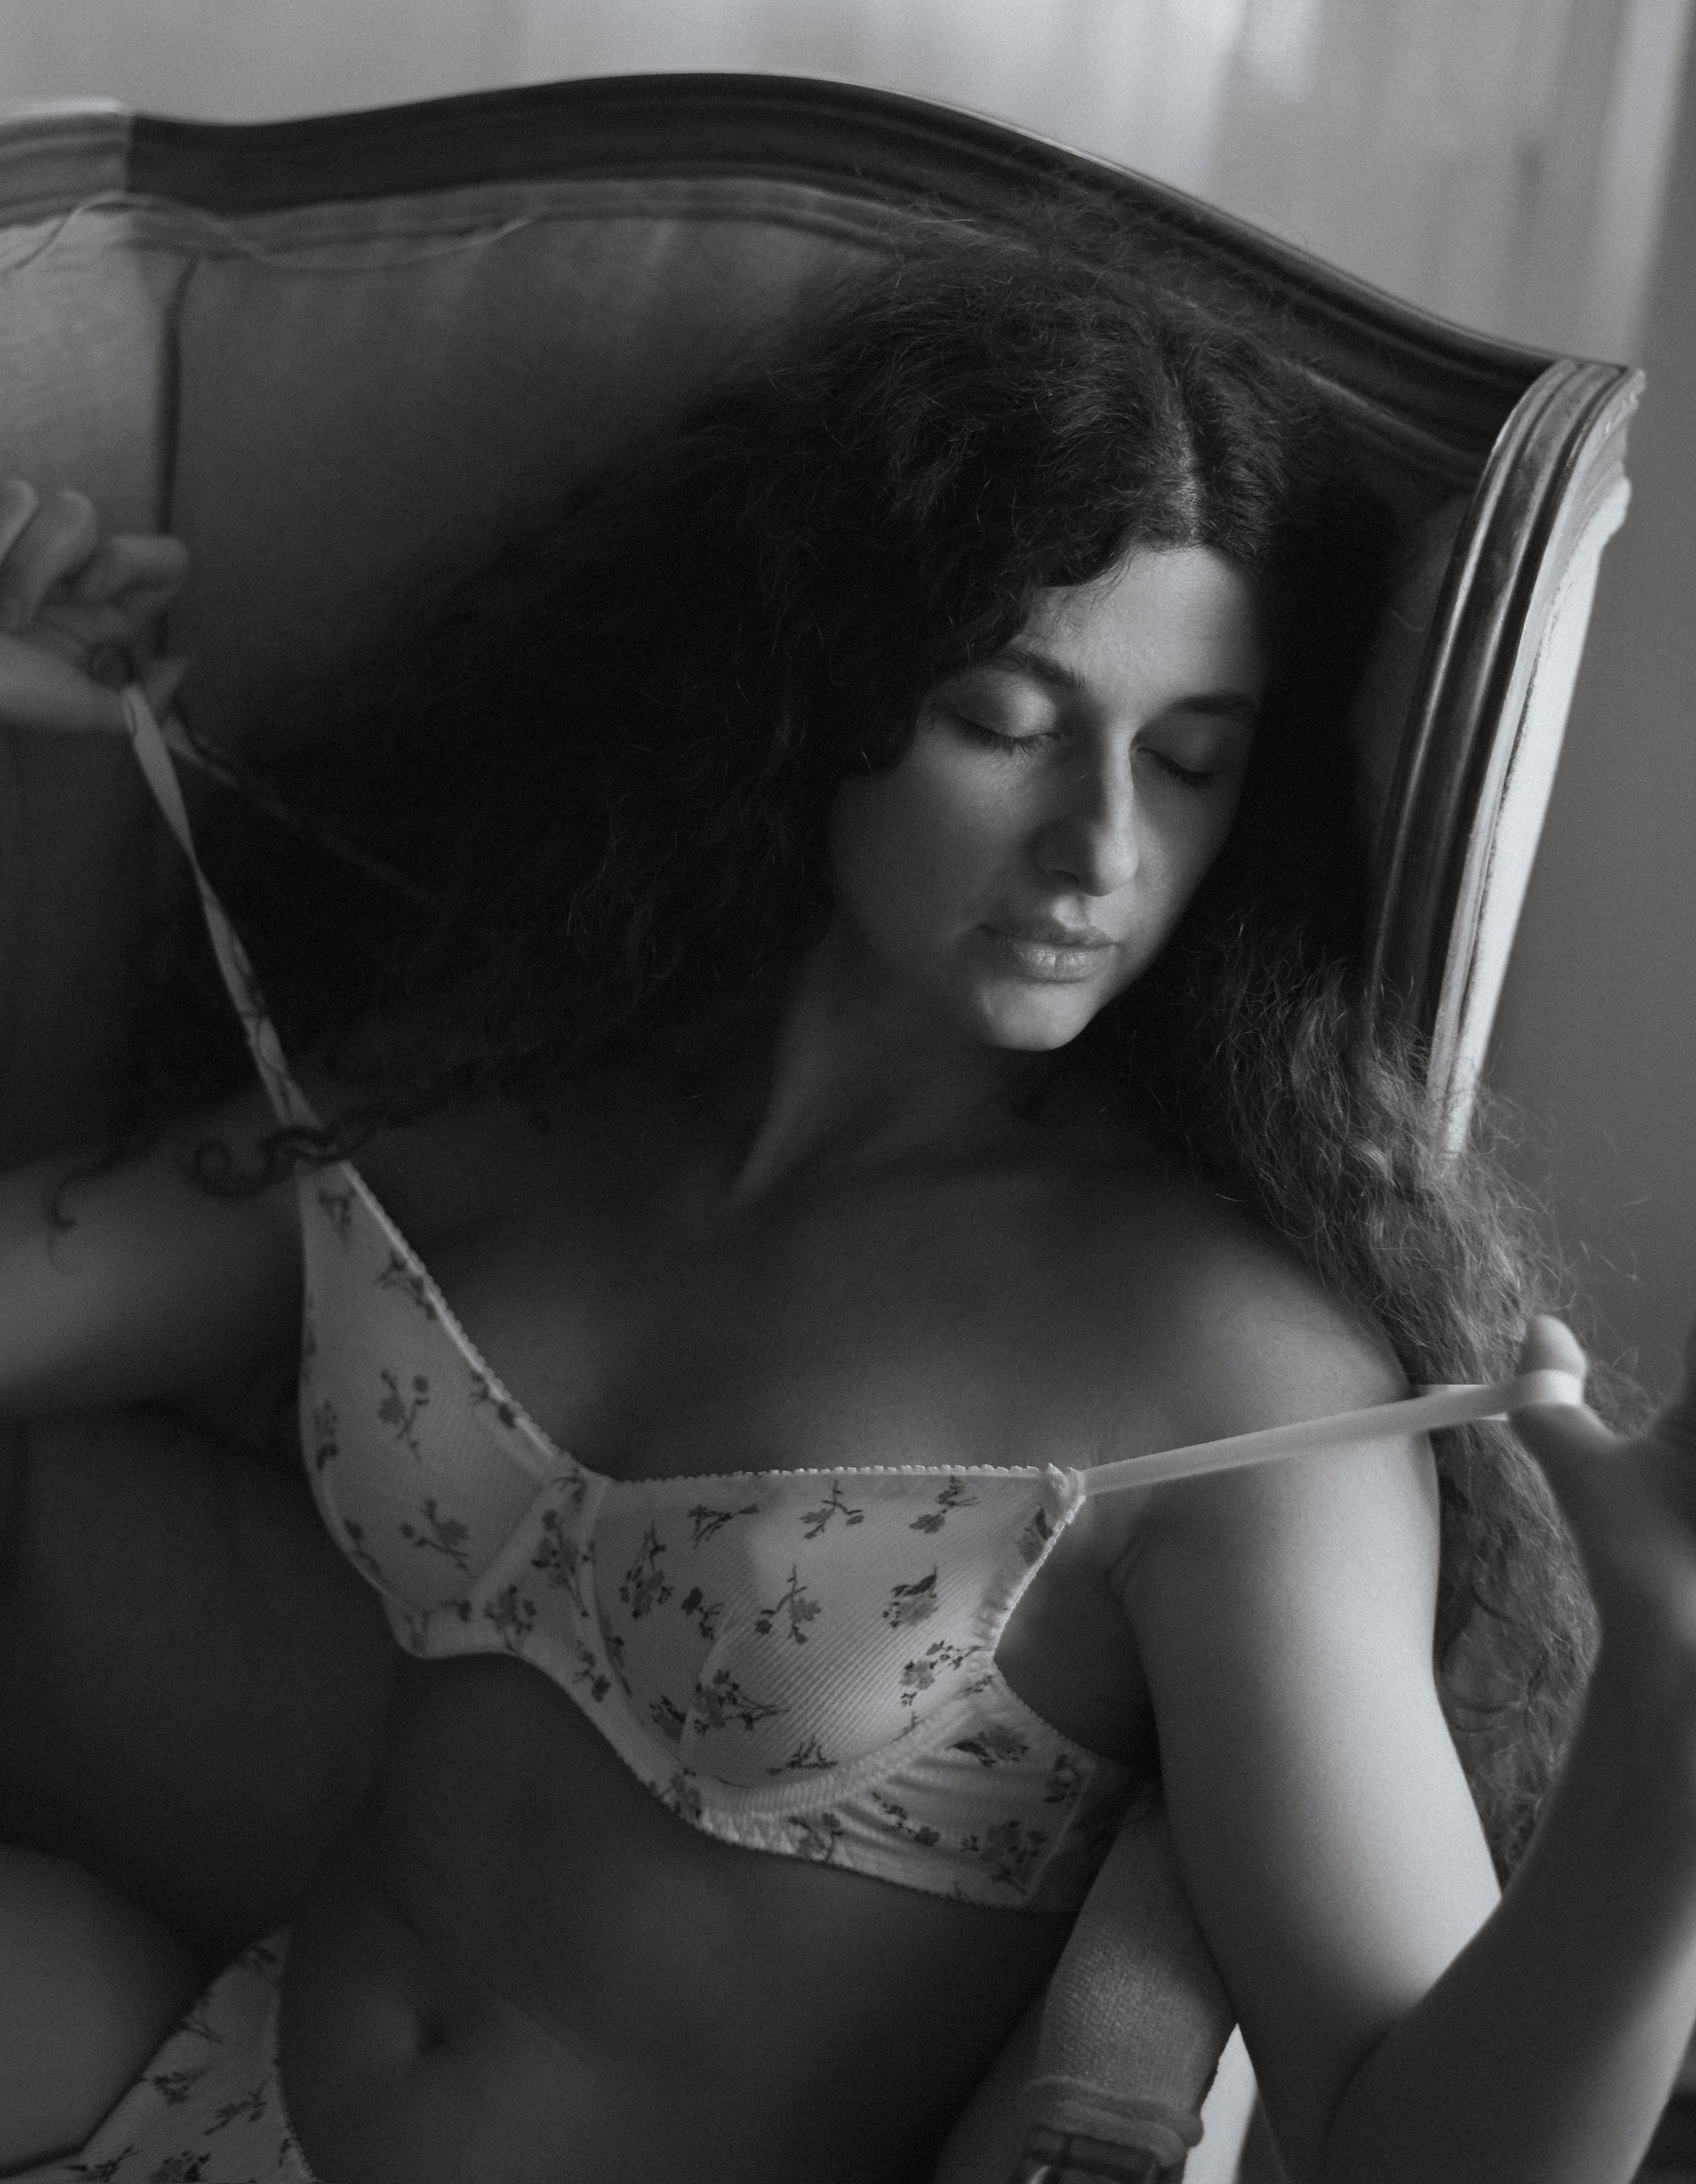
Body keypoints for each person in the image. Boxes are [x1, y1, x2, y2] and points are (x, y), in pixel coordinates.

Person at [0, 227, 1690, 2184]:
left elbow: (1431, 2157)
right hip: (203, 2081)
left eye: (1188, 762)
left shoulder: (1233, 1380)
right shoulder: (511, 1099)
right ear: (814, 690)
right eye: (1007, 724)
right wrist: (27, 759)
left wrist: (1668, 1750)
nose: (1100, 848)